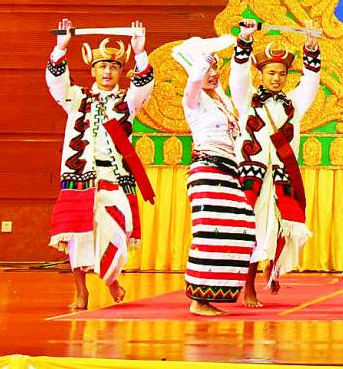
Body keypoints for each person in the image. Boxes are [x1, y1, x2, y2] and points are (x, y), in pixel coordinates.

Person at [46, 19, 154, 311]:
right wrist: (61, 48)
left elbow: (144, 86)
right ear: (92, 70)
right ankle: (81, 291)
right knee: (77, 236)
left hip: (115, 178)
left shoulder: (127, 102)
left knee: (118, 229)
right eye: (102, 66)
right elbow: (56, 83)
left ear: (120, 71)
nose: (107, 72)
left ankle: (110, 278)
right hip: (81, 177)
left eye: (114, 67)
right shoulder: (76, 98)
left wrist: (140, 52)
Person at [230, 19, 322, 307]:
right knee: (254, 229)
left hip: (282, 176)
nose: (276, 79)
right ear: (261, 74)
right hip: (253, 176)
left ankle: (274, 269)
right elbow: (237, 77)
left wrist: (311, 47)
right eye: (271, 73)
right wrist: (245, 40)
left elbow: (311, 83)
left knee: (283, 226)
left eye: (282, 74)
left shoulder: (293, 103)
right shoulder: (247, 100)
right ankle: (248, 287)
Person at [177, 35, 257, 316]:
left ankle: (213, 292)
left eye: (215, 67)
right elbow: (194, 80)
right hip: (207, 169)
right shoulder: (192, 99)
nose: (212, 73)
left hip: (229, 171)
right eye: (207, 68)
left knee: (244, 227)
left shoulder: (221, 99)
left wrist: (242, 42)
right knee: (209, 231)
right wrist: (202, 60)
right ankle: (198, 299)